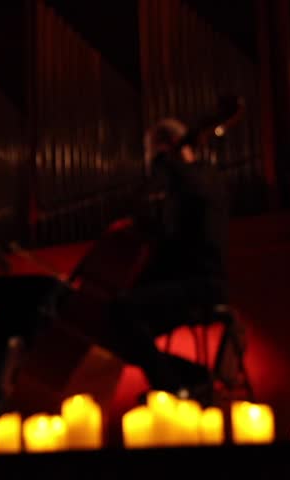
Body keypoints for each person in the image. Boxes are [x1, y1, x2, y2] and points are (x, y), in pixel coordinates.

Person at [110, 117, 229, 396]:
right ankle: (194, 379)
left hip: (203, 285)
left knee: (122, 313)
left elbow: (191, 218)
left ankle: (172, 388)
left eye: (154, 154)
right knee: (114, 329)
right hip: (180, 283)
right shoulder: (180, 188)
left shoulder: (205, 178)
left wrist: (169, 161)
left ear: (167, 147)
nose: (155, 165)